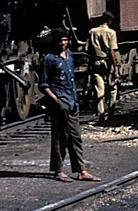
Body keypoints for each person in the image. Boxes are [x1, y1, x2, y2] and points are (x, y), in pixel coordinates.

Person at [39, 29, 99, 182]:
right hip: (59, 102)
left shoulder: (70, 56)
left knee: (76, 137)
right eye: (60, 40)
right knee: (60, 138)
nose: (63, 43)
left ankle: (81, 170)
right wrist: (57, 101)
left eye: (65, 40)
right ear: (55, 41)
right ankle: (58, 170)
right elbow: (44, 85)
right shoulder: (49, 59)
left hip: (72, 102)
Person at [87, 12, 120, 123]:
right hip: (107, 62)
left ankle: (101, 115)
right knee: (112, 88)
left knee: (99, 89)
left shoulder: (92, 32)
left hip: (95, 62)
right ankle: (111, 114)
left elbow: (87, 49)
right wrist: (115, 68)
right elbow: (112, 51)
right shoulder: (111, 32)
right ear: (109, 21)